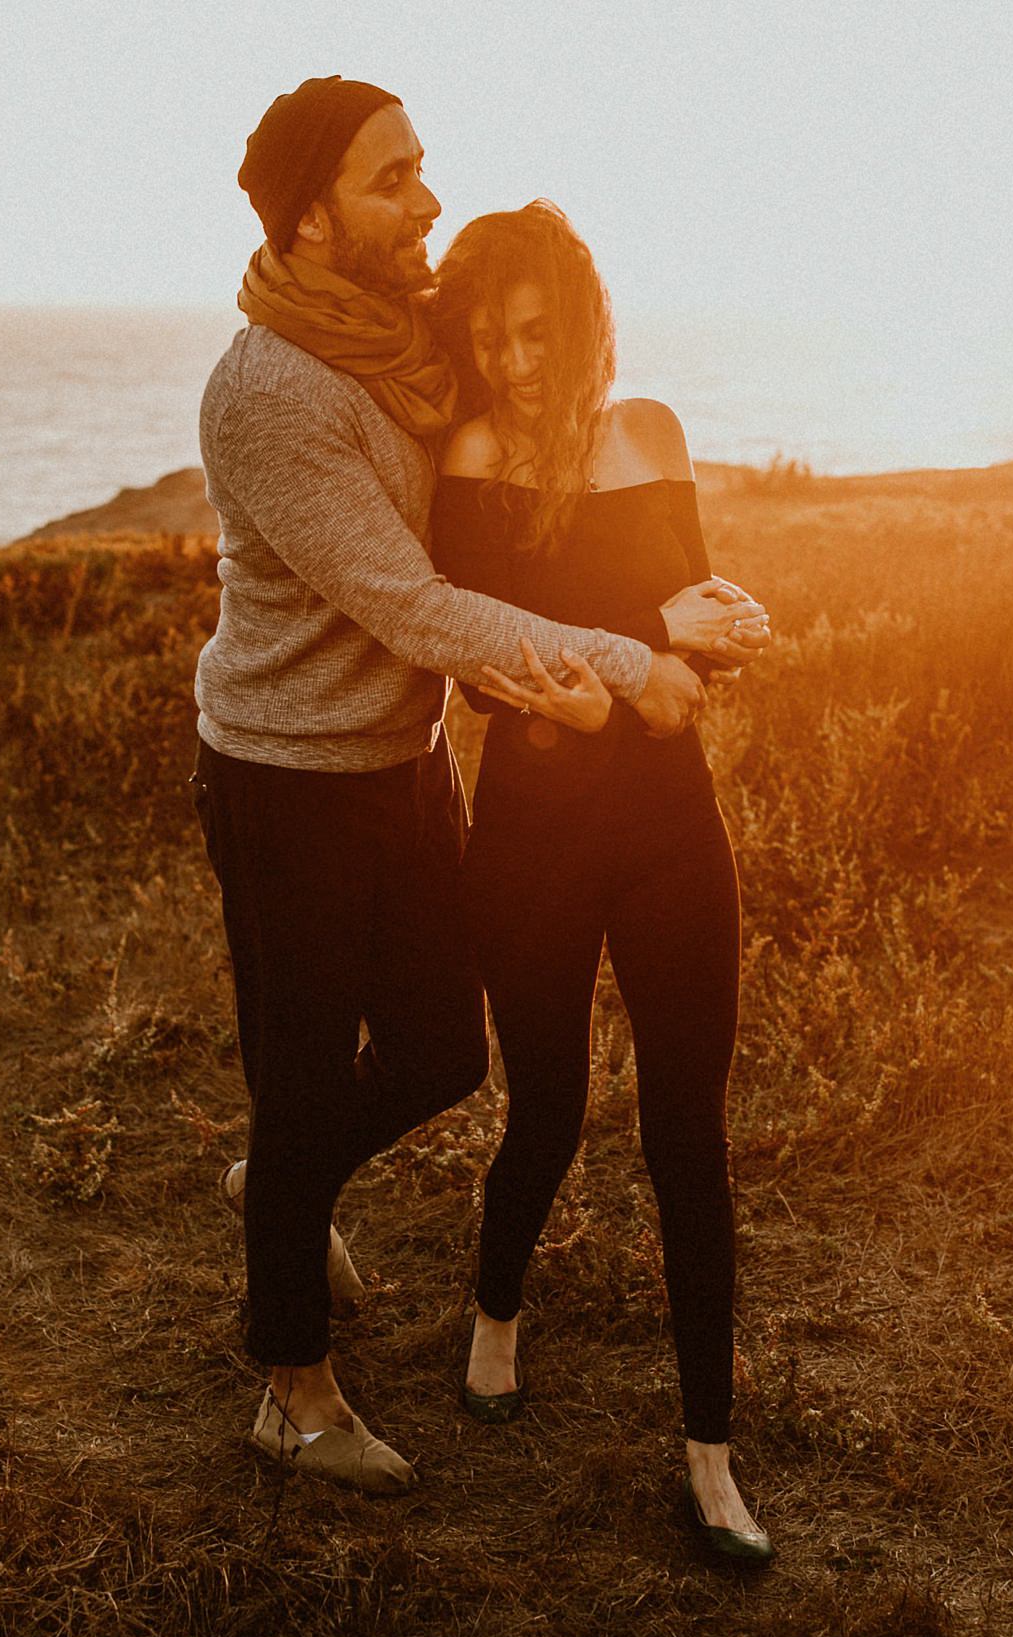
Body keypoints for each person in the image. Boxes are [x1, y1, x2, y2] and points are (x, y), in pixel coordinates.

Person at [191, 78, 766, 1496]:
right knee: (310, 1066)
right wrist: (635, 662)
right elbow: (421, 606)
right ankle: (296, 1386)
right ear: (316, 213)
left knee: (447, 1051)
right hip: (285, 774)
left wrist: (681, 594)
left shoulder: (404, 349)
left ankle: (284, 1178)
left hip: (400, 764)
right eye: (397, 180)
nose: (427, 200)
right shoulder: (268, 391)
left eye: (424, 171)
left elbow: (542, 463)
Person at [425, 201, 778, 1563]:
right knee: (553, 1106)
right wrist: (645, 653)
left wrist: (711, 639)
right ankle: (497, 1306)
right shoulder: (470, 456)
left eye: (533, 332)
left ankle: (711, 1454)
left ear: (578, 324)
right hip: (531, 841)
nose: (512, 361)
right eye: (486, 336)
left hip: (670, 826)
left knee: (689, 1130)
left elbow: (686, 643)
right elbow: (490, 664)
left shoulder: (653, 436)